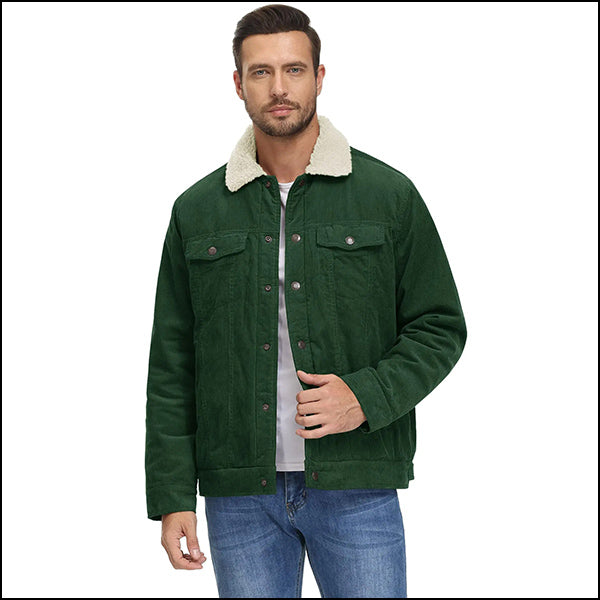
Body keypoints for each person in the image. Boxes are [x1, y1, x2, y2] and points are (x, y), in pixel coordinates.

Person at [145, 4, 467, 597]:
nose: (279, 87)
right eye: (261, 72)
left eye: (294, 69)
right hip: (239, 496)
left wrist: (364, 397)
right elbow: (173, 364)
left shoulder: (387, 196)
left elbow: (439, 326)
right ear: (238, 84)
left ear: (319, 77)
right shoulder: (197, 210)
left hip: (356, 484)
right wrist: (172, 495)